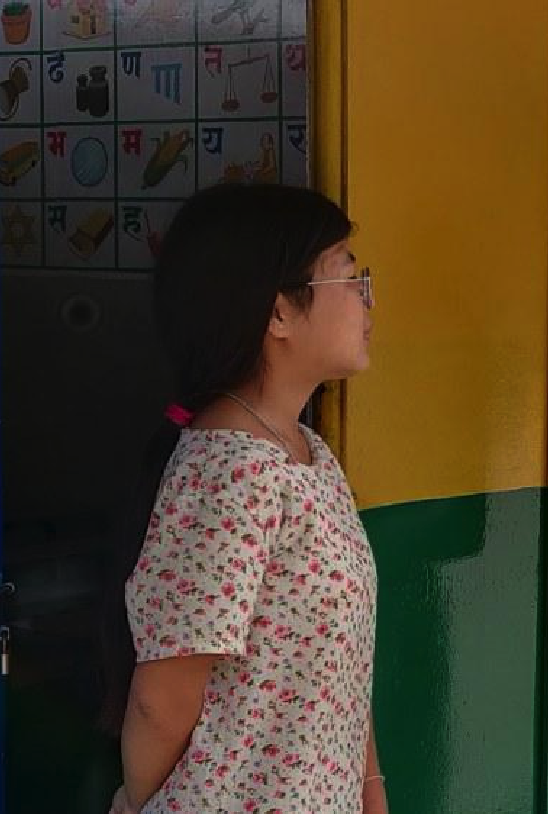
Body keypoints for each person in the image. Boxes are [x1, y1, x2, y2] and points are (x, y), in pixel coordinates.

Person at [104, 183, 386, 813]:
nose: (369, 301)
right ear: (277, 313)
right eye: (349, 275)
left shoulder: (309, 454)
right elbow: (162, 699)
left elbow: (341, 666)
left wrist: (370, 792)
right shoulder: (230, 472)